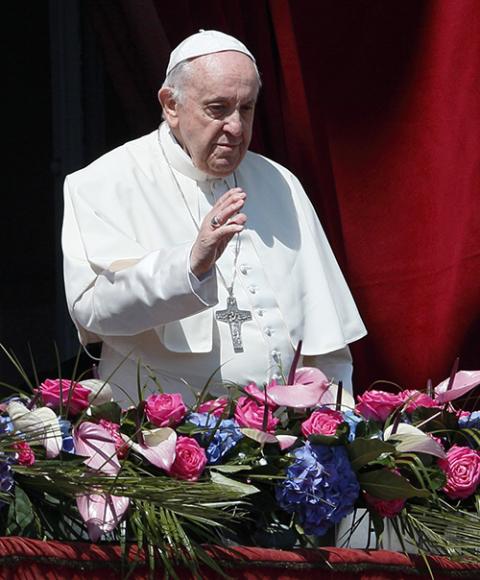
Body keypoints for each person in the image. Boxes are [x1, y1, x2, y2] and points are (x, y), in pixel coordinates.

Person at [62, 30, 366, 405]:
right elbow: (94, 310)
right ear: (171, 104)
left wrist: (339, 421)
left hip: (288, 440)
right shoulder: (103, 183)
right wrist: (189, 265)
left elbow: (325, 339)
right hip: (169, 441)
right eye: (218, 109)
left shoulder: (279, 182)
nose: (236, 128)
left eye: (247, 108)